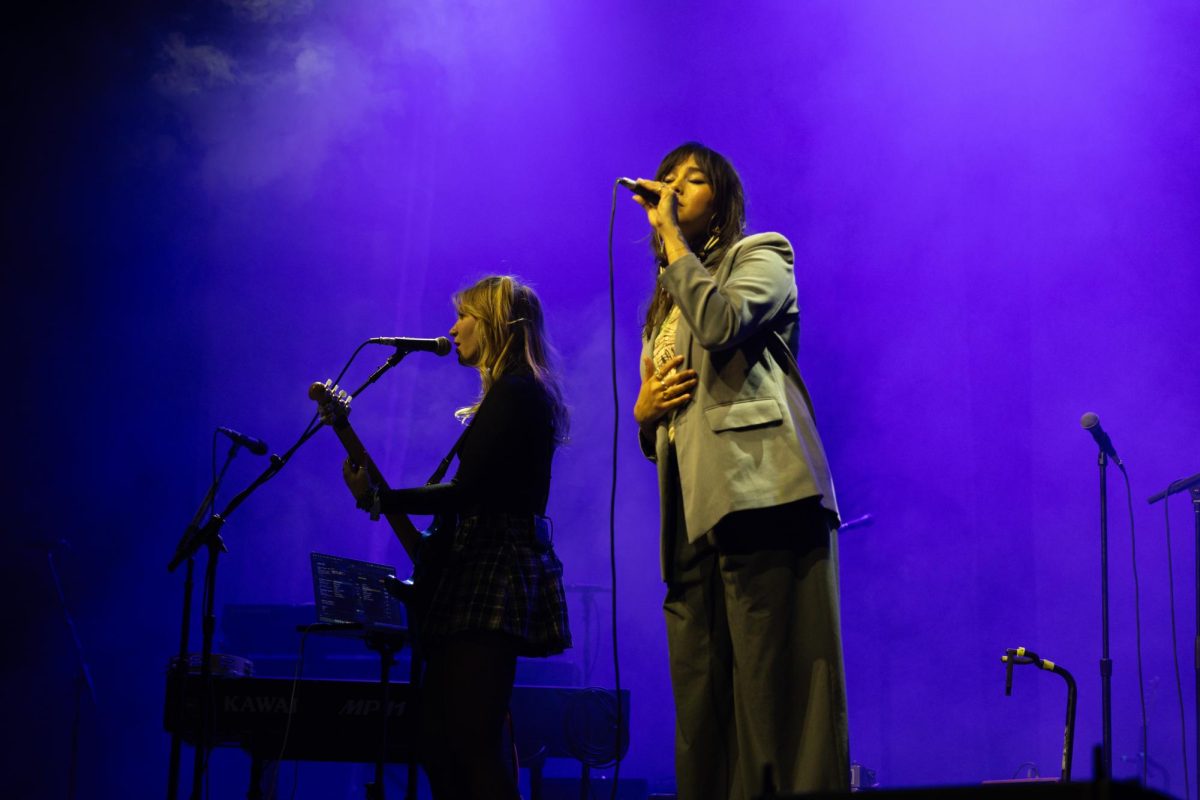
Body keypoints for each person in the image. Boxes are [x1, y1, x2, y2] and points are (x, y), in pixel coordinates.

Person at [629, 142, 849, 798]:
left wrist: (670, 240)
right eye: (667, 181)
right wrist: (643, 413)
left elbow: (723, 325)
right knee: (703, 700)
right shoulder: (665, 304)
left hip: (759, 491)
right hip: (691, 515)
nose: (673, 189)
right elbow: (663, 422)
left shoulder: (763, 256)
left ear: (720, 201)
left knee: (767, 690)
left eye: (691, 182)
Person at [337, 275, 571, 799]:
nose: (452, 328)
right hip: (477, 565)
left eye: (464, 315)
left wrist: (381, 498)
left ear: (494, 323)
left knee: (467, 741)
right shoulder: (507, 395)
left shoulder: (517, 393)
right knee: (441, 743)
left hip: (494, 566)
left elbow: (468, 493)